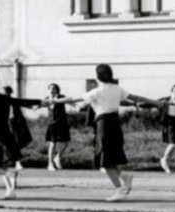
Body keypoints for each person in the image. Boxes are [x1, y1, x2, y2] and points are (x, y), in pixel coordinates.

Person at [46, 65, 161, 201]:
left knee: (105, 159)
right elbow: (136, 97)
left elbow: (74, 100)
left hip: (103, 124)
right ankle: (124, 177)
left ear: (97, 77)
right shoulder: (117, 89)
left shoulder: (97, 91)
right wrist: (155, 102)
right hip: (115, 123)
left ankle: (119, 190)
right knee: (113, 155)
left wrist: (52, 100)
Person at [156, 84, 175, 173]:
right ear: (172, 92)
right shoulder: (166, 100)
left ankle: (166, 161)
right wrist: (138, 104)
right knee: (172, 143)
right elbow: (152, 103)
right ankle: (164, 160)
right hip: (169, 123)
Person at [3, 86, 32, 170]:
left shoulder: (14, 100)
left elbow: (25, 104)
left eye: (5, 92)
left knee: (20, 141)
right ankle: (14, 160)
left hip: (16, 123)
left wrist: (33, 107)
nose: (4, 94)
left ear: (9, 92)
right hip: (7, 123)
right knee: (9, 143)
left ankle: (14, 159)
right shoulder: (0, 101)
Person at [43, 83, 70, 171]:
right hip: (51, 123)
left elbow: (68, 101)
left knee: (65, 142)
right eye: (50, 88)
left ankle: (57, 157)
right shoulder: (46, 99)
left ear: (57, 89)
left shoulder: (62, 97)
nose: (52, 90)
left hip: (62, 123)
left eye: (54, 88)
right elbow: (38, 105)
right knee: (52, 143)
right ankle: (50, 164)